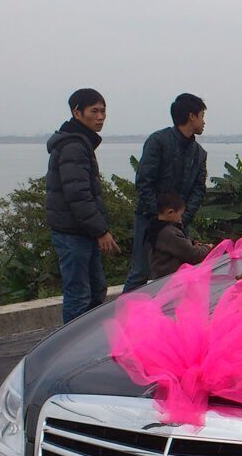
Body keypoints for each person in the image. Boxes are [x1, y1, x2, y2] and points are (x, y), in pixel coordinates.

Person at [45, 88, 121, 323]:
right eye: (94, 111)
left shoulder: (81, 142)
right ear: (77, 113)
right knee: (79, 295)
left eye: (103, 111)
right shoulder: (74, 146)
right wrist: (100, 230)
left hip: (81, 231)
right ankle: (71, 350)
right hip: (72, 233)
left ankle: (87, 344)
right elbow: (78, 195)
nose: (100, 117)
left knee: (96, 290)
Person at [123, 93, 208, 292]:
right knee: (140, 272)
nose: (204, 122)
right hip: (149, 220)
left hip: (179, 222)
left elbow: (199, 189)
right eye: (202, 115)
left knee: (177, 276)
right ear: (191, 116)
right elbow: (144, 181)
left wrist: (182, 218)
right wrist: (159, 217)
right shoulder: (158, 141)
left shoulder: (199, 153)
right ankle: (124, 319)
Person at [147, 191, 209, 280]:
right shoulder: (168, 233)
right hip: (171, 281)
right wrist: (207, 248)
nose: (181, 218)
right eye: (180, 215)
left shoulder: (155, 228)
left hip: (161, 279)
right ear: (170, 212)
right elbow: (193, 255)